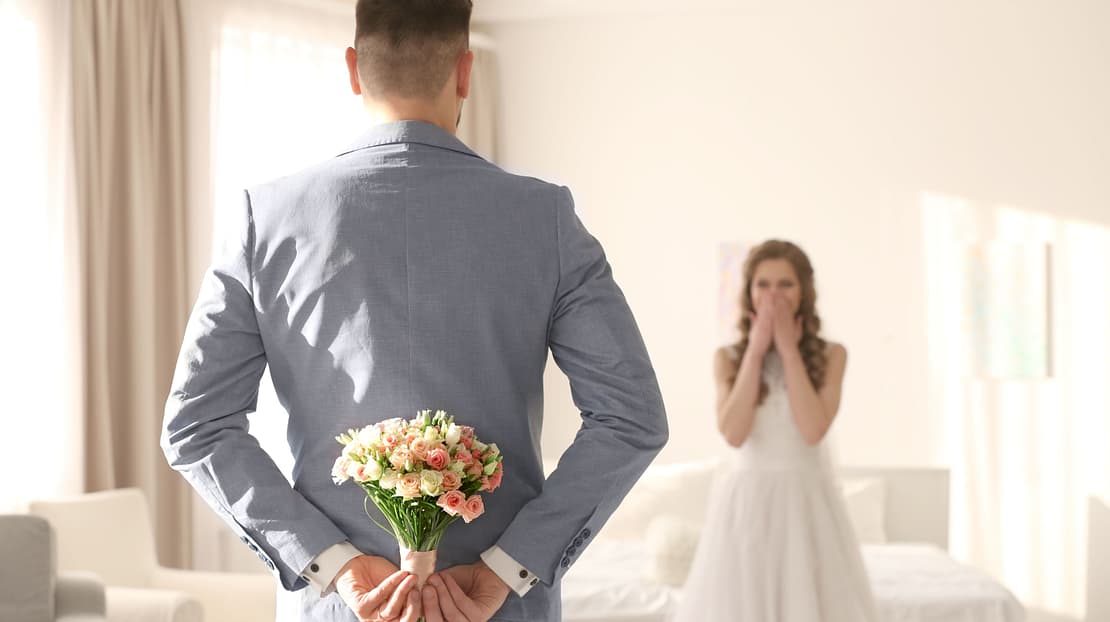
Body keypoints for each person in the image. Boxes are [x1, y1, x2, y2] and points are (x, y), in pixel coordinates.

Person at [159, 1, 668, 621]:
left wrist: (332, 563)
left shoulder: (263, 221)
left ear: (353, 68)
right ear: (465, 72)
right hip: (495, 608)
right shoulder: (545, 219)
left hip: (342, 609)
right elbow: (631, 418)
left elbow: (197, 428)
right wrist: (510, 566)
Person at [671, 240, 878, 621]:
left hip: (807, 506)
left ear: (804, 292)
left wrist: (787, 348)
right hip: (747, 506)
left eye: (785, 284)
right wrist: (757, 349)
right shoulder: (727, 358)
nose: (773, 295)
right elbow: (733, 433)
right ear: (749, 292)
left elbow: (813, 429)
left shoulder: (833, 355)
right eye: (763, 284)